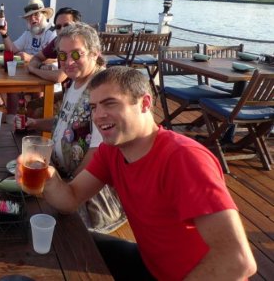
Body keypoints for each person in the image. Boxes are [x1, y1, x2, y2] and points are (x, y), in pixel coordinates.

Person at [18, 66, 257, 280]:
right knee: (66, 240)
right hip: (149, 263)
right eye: (93, 106)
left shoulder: (184, 158)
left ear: (145, 103)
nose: (99, 115)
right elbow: (69, 200)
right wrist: (48, 177)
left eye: (110, 103)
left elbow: (236, 262)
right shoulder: (111, 151)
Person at [25, 23, 126, 234]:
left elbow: (99, 152)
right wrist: (34, 124)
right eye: (62, 56)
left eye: (76, 55)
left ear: (94, 54)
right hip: (61, 178)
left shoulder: (101, 91)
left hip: (88, 200)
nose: (68, 62)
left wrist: (68, 189)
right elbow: (66, 122)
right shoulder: (77, 81)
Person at [0, 0, 57, 120]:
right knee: (11, 86)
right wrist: (4, 34)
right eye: (29, 17)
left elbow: (56, 59)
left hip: (47, 78)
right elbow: (12, 49)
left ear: (45, 15)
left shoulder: (53, 33)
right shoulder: (29, 33)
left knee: (37, 91)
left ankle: (35, 123)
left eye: (36, 14)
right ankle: (12, 122)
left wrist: (30, 58)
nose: (32, 19)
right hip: (29, 74)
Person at [26, 7, 83, 117]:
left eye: (67, 25)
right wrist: (39, 65)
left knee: (39, 114)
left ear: (78, 26)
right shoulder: (58, 41)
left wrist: (33, 69)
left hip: (84, 98)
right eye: (58, 27)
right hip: (67, 92)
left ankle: (53, 132)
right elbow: (37, 57)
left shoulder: (80, 44)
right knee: (31, 106)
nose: (62, 30)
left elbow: (58, 77)